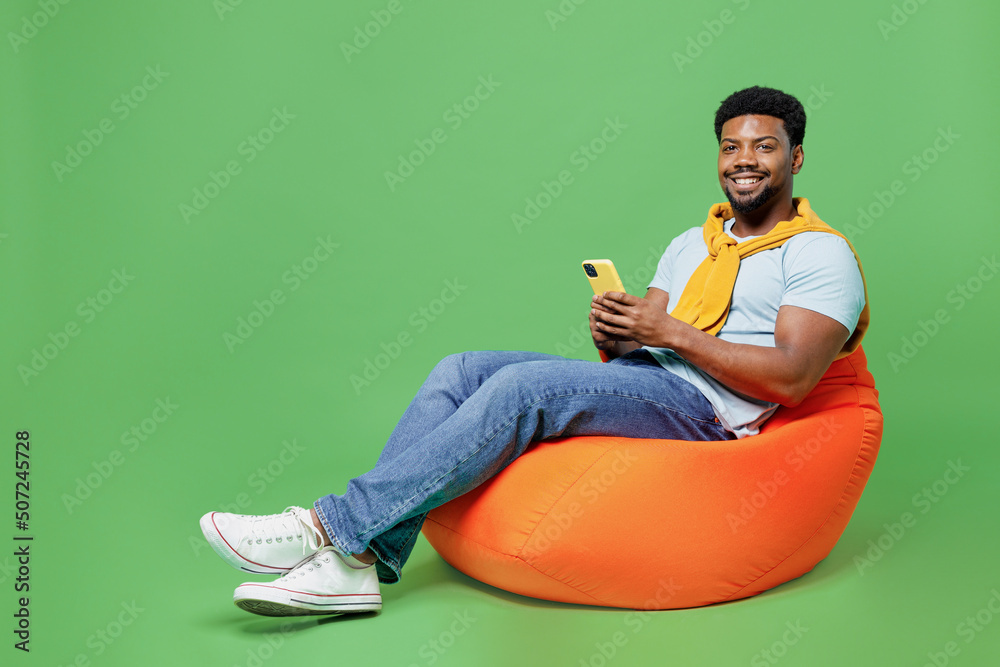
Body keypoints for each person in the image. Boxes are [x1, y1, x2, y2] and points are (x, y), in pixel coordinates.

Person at [199, 85, 868, 617]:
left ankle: (328, 528)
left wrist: (670, 337)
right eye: (730, 147)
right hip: (656, 379)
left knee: (526, 391)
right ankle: (358, 567)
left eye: (764, 147)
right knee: (460, 369)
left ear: (796, 157)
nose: (744, 160)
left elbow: (794, 378)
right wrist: (617, 329)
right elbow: (648, 341)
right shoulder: (691, 242)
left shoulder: (819, 253)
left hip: (714, 412)